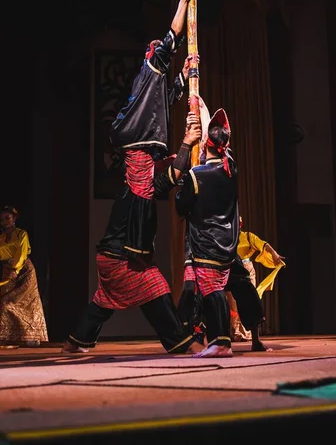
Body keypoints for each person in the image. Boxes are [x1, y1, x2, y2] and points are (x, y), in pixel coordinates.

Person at [63, 113, 203, 354]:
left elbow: (163, 175)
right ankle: (185, 344)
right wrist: (187, 143)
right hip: (120, 260)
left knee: (103, 302)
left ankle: (73, 342)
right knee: (156, 287)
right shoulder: (139, 191)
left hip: (110, 257)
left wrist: (178, 152)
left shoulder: (135, 189)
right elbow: (171, 178)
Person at [175, 107, 239, 358]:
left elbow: (182, 206)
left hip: (206, 242)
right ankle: (219, 340)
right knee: (216, 290)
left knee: (211, 291)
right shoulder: (231, 168)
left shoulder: (196, 174)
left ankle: (221, 342)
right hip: (227, 242)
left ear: (205, 144)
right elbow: (224, 139)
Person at [226, 216, 286, 347]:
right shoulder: (227, 238)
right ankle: (236, 331)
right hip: (231, 270)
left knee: (250, 300)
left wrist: (274, 255)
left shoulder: (247, 236)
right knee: (233, 304)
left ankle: (251, 335)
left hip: (246, 270)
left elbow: (263, 244)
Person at [0, 206, 48, 347]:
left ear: (14, 218)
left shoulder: (21, 234)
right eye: (1, 219)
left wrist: (15, 269)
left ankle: (31, 337)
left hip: (24, 270)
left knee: (25, 303)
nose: (4, 222)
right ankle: (11, 338)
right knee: (5, 304)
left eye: (7, 218)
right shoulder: (1, 237)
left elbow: (21, 253)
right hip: (7, 270)